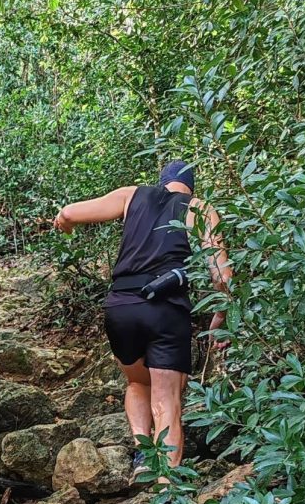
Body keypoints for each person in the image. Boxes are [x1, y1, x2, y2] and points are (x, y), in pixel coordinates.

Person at [52, 160, 231, 478]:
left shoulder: (131, 194)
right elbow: (221, 274)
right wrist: (221, 314)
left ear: (161, 182)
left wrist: (64, 226)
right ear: (191, 187)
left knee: (137, 381)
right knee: (168, 398)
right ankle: (166, 482)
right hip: (166, 309)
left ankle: (143, 454)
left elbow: (67, 214)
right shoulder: (199, 208)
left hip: (121, 307)